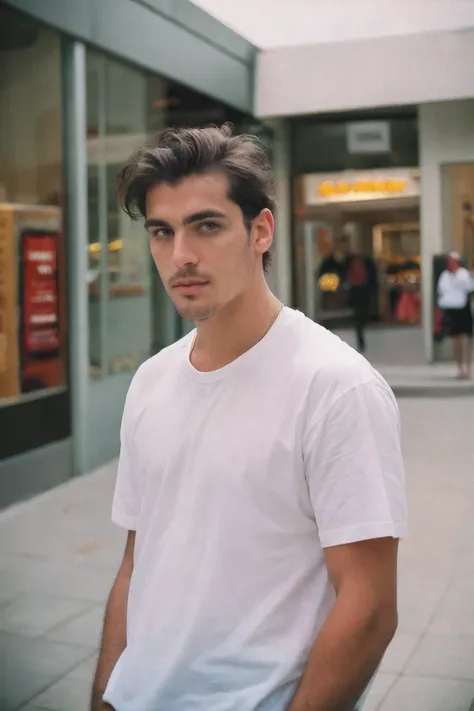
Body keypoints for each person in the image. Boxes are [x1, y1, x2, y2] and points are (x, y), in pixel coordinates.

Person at [91, 125, 407, 711]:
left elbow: (369, 609)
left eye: (206, 226)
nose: (181, 255)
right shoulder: (151, 381)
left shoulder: (335, 386)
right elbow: (137, 562)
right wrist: (106, 696)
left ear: (260, 231)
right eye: (162, 232)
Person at [437, 251, 473, 379]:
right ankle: (460, 367)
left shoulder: (463, 274)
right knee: (455, 341)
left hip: (462, 308)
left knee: (465, 340)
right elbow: (442, 291)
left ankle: (467, 368)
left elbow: (469, 288)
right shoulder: (445, 276)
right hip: (451, 309)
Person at [338, 237, 378, 353]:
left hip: (364, 289)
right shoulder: (348, 261)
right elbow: (343, 273)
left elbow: (372, 276)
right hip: (355, 290)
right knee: (358, 314)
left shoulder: (367, 261)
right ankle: (360, 332)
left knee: (363, 311)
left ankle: (363, 325)